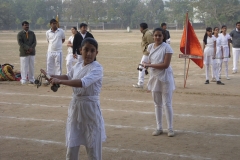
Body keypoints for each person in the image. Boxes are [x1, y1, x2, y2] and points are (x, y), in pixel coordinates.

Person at [49, 38, 106, 160]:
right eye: (86, 50)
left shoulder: (97, 68)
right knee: (71, 147)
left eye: (92, 50)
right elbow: (69, 76)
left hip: (90, 110)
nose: (89, 53)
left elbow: (83, 82)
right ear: (81, 50)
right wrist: (52, 76)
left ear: (97, 53)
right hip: (75, 109)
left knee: (93, 150)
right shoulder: (78, 65)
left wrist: (60, 81)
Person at [142, 28, 175, 137]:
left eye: (159, 35)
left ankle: (170, 129)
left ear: (163, 36)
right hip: (154, 77)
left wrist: (149, 65)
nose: (157, 37)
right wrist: (145, 63)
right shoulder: (151, 47)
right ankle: (159, 127)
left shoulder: (167, 48)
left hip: (165, 77)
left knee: (167, 103)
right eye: (155, 35)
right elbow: (150, 61)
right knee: (157, 104)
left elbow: (165, 65)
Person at [133, 23, 153, 88]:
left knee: (141, 67)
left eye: (140, 28)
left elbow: (152, 44)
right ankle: (146, 83)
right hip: (147, 53)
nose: (139, 29)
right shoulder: (147, 33)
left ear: (142, 28)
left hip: (148, 54)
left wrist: (150, 53)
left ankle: (140, 83)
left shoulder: (148, 34)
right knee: (147, 67)